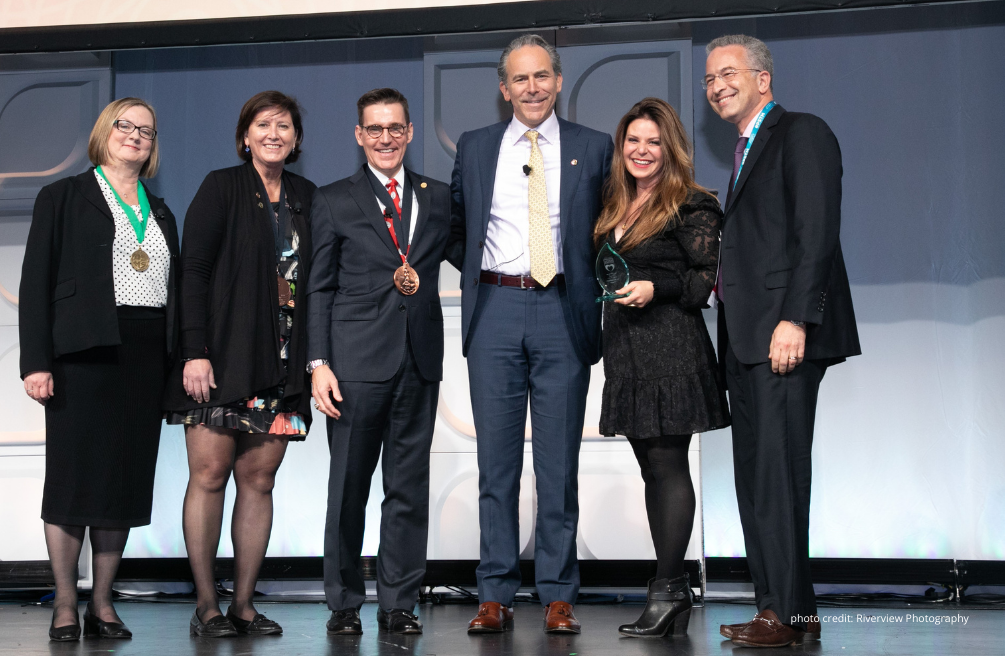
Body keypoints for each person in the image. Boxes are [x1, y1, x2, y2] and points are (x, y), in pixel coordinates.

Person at [449, 34, 613, 635]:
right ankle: (494, 592)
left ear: (558, 80)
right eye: (520, 79)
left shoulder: (594, 148)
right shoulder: (474, 147)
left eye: (542, 76)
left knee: (557, 465)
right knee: (495, 465)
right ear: (503, 89)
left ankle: (558, 594)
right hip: (494, 306)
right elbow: (458, 227)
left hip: (561, 310)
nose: (532, 88)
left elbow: (609, 228)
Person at [704, 35, 861, 647]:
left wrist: (796, 318)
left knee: (778, 477)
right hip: (745, 341)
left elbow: (816, 231)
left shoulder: (802, 132)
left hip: (782, 338)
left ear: (762, 79)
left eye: (727, 73)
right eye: (709, 79)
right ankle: (787, 611)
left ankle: (785, 615)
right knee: (757, 480)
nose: (716, 85)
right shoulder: (744, 151)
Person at [19, 97, 178, 642]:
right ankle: (66, 603)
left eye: (146, 131)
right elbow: (35, 285)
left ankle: (103, 605)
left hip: (145, 355)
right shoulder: (62, 197)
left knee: (124, 482)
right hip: (81, 352)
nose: (135, 136)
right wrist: (36, 362)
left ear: (153, 146)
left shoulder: (160, 212)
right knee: (72, 481)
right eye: (125, 126)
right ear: (104, 132)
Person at [163, 91, 316, 638]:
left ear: (296, 138)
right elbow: (194, 273)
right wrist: (194, 351)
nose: (274, 132)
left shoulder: (307, 196)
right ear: (245, 135)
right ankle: (207, 605)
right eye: (263, 123)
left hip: (282, 366)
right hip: (220, 360)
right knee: (208, 477)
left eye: (285, 125)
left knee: (260, 479)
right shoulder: (220, 186)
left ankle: (244, 605)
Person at [308, 88, 453, 636]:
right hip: (354, 365)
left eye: (395, 128)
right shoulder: (333, 199)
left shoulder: (437, 197)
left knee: (408, 490)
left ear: (410, 132)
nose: (385, 138)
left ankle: (399, 603)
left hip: (419, 361)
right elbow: (317, 288)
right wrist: (318, 363)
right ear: (358, 136)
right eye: (375, 129)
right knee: (348, 488)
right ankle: (344, 601)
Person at [592, 98, 730, 637]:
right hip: (626, 350)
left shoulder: (691, 203)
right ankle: (670, 592)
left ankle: (669, 590)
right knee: (651, 470)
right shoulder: (613, 204)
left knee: (669, 467)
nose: (641, 150)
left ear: (669, 147)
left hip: (671, 347)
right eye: (633, 140)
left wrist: (657, 287)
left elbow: (703, 280)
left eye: (653, 141)